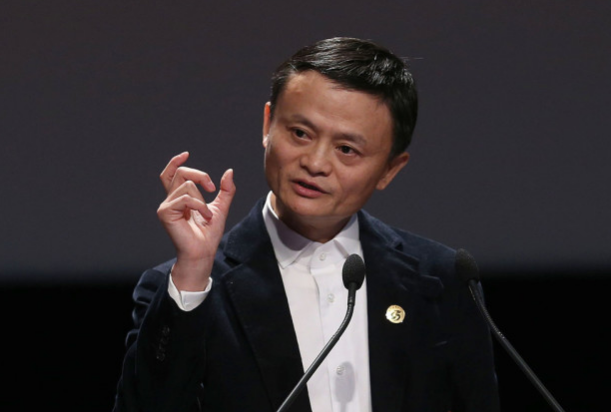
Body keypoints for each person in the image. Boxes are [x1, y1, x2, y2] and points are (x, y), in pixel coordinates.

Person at [113, 37, 499, 412]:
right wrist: (195, 270)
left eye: (346, 149)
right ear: (268, 124)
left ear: (390, 169)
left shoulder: (442, 281)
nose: (315, 163)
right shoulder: (187, 290)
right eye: (300, 133)